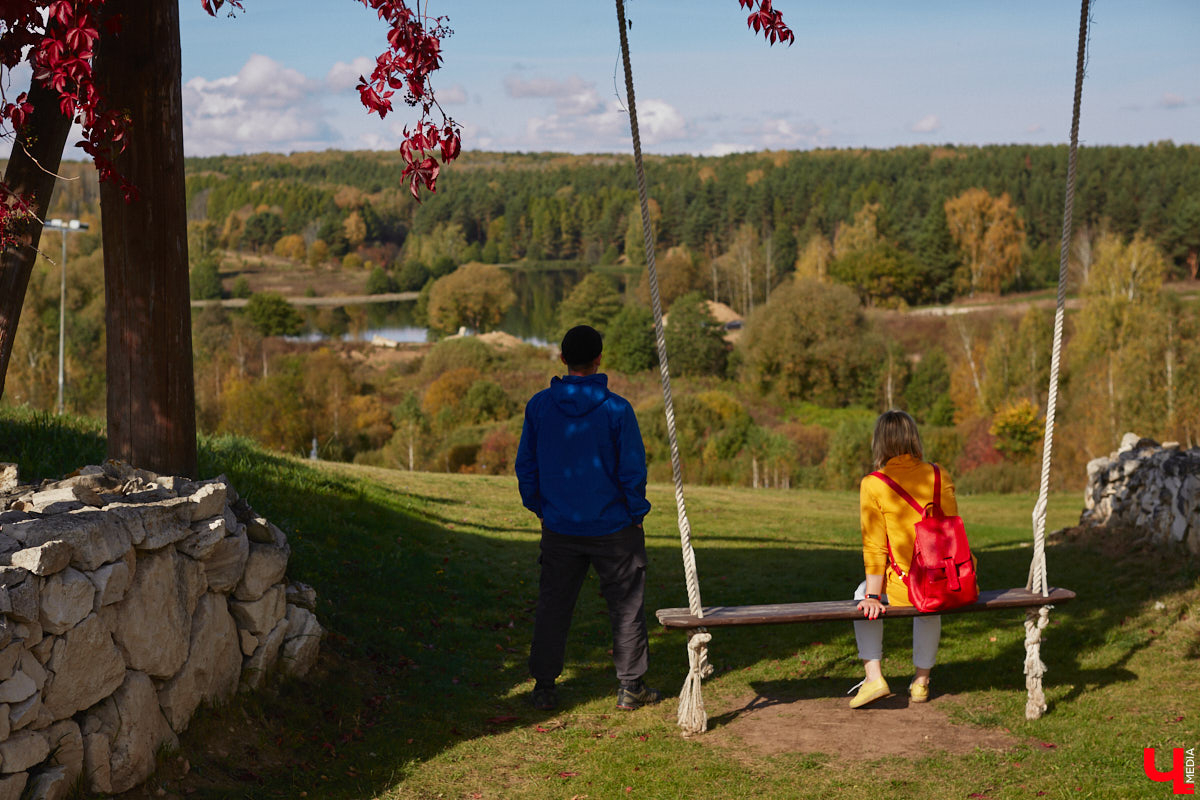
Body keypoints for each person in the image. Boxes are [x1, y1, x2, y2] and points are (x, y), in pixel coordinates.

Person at [515, 324, 661, 712]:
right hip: (614, 527)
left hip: (560, 525)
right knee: (626, 606)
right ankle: (630, 687)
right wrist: (636, 513)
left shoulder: (540, 406)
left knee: (553, 606)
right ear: (599, 359)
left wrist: (542, 508)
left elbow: (526, 466)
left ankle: (544, 686)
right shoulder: (617, 409)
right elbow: (633, 471)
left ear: (563, 359)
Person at [849, 409, 958, 709]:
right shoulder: (938, 474)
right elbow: (951, 527)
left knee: (861, 594)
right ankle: (921, 682)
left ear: (879, 443)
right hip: (945, 577)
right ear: (914, 438)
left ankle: (874, 677)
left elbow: (874, 546)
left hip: (903, 585)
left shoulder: (873, 483)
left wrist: (873, 594)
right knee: (931, 596)